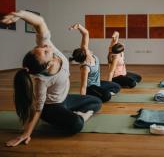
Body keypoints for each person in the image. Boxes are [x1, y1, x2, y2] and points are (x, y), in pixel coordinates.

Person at [1, 10, 102, 147]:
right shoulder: (41, 81)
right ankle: (80, 117)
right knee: (76, 125)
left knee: (96, 102)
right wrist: (27, 133)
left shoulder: (48, 47)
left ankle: (76, 114)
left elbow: (40, 22)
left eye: (40, 47)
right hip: (52, 108)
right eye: (45, 52)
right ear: (48, 65)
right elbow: (38, 109)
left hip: (65, 98)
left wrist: (20, 14)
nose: (46, 47)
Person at [69, 23, 120, 99]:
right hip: (91, 88)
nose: (87, 49)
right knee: (107, 96)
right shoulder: (85, 68)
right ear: (85, 55)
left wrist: (78, 26)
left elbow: (86, 33)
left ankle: (100, 92)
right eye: (86, 50)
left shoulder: (85, 50)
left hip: (98, 83)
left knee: (116, 86)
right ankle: (96, 95)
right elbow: (84, 86)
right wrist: (82, 100)